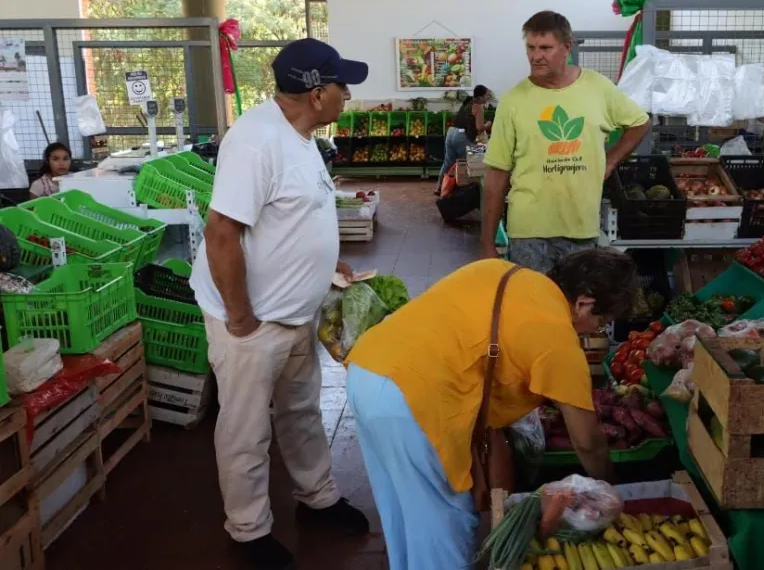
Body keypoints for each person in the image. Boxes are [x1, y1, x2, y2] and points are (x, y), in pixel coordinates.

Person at [189, 38, 371, 570]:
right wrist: (240, 316)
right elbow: (222, 232)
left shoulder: (302, 137)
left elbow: (295, 217)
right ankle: (247, 530)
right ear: (317, 93)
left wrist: (326, 266)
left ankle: (318, 498)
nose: (347, 96)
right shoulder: (255, 141)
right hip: (252, 320)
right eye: (343, 86)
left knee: (300, 411)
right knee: (246, 427)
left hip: (295, 313)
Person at [345, 248, 637, 570]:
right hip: (411, 400)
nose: (595, 330)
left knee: (404, 510)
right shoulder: (557, 336)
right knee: (444, 525)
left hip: (368, 369)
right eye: (601, 321)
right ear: (584, 303)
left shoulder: (500, 271)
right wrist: (612, 492)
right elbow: (588, 442)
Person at [481, 11, 652, 273]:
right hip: (528, 232)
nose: (536, 56)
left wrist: (609, 162)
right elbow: (496, 173)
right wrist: (487, 242)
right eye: (531, 47)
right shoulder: (513, 101)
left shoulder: (598, 88)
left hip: (581, 227)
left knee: (578, 310)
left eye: (546, 48)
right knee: (534, 311)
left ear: (566, 48)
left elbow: (640, 123)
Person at [434, 84, 492, 195]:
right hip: (462, 136)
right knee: (473, 160)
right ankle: (467, 192)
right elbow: (479, 128)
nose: (488, 97)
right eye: (486, 95)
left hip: (451, 132)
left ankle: (440, 187)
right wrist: (488, 124)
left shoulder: (467, 102)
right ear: (480, 97)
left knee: (448, 162)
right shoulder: (478, 106)